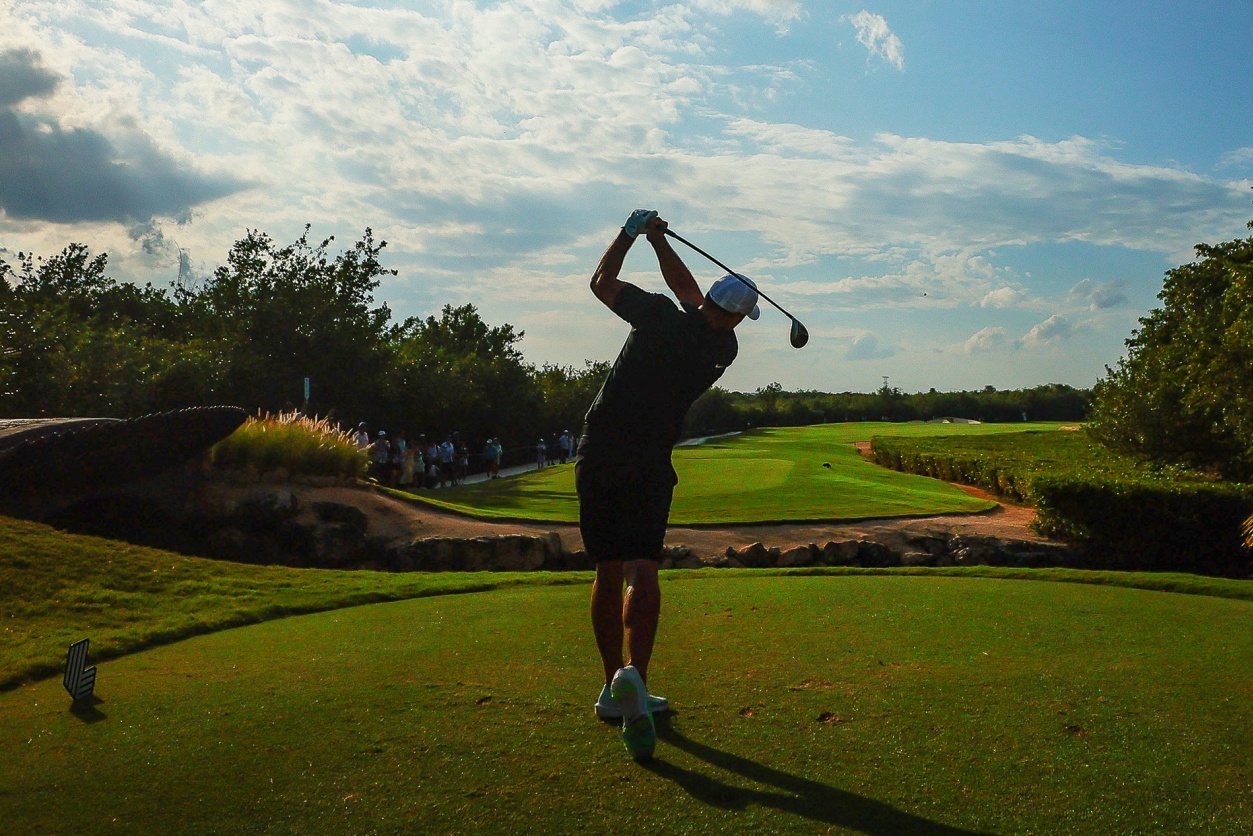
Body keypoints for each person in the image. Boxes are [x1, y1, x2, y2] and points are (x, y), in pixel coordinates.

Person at [579, 209, 758, 761]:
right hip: (651, 461)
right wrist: (659, 244)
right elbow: (694, 299)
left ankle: (615, 686)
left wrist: (635, 236)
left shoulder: (658, 316)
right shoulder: (723, 350)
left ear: (709, 298)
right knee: (643, 569)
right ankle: (637, 674)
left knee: (608, 570)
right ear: (738, 317)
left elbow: (601, 283)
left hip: (601, 448)